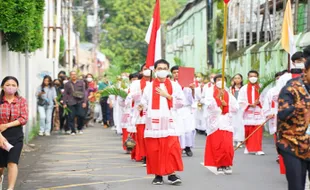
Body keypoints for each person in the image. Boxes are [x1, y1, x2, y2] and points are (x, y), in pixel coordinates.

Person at [140, 59, 185, 185]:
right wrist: (141, 106)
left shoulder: (175, 86)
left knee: (171, 148)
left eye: (164, 68)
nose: (162, 71)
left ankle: (172, 174)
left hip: (170, 123)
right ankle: (158, 175)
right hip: (153, 125)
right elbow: (144, 103)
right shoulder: (149, 87)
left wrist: (168, 96)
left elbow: (181, 103)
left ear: (168, 70)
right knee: (155, 149)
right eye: (159, 68)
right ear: (154, 70)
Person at [277, 58, 310, 190]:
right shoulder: (291, 88)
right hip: (293, 144)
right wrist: (297, 108)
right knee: (297, 186)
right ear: (305, 71)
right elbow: (282, 114)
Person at [203, 74, 238, 174]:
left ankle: (227, 164)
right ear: (214, 81)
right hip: (215, 122)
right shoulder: (209, 91)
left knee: (227, 145)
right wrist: (218, 99)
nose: (220, 81)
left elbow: (236, 108)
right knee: (217, 145)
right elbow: (209, 106)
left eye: (222, 80)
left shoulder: (228, 93)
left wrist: (226, 106)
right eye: (218, 79)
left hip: (226, 121)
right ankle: (219, 165)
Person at [0, 76, 28, 190]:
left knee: (12, 162)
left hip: (16, 135)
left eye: (13, 85)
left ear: (17, 87)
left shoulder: (21, 101)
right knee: (1, 166)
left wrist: (7, 125)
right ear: (2, 86)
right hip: (0, 135)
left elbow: (24, 118)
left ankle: (10, 188)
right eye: (7, 85)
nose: (10, 87)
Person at [127, 64, 151, 164]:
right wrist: (141, 93)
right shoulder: (136, 84)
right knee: (141, 136)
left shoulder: (156, 83)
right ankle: (144, 155)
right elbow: (129, 98)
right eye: (145, 69)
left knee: (151, 137)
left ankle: (151, 155)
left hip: (153, 114)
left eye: (149, 69)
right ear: (141, 71)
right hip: (140, 113)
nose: (147, 71)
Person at [238, 70, 265, 155]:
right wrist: (249, 104)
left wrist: (259, 102)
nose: (253, 78)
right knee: (248, 130)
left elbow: (265, 99)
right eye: (251, 76)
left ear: (257, 77)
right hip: (248, 111)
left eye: (255, 76)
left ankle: (258, 149)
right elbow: (240, 100)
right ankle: (248, 147)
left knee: (258, 130)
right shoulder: (244, 88)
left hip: (258, 111)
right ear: (248, 77)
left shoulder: (261, 88)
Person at [171, 66, 196, 157]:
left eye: (178, 72)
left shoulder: (188, 83)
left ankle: (188, 147)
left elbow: (193, 98)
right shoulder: (171, 84)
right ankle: (178, 147)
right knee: (177, 129)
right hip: (175, 109)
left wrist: (193, 89)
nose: (176, 74)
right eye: (174, 72)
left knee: (188, 129)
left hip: (186, 108)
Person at [63, 71, 87, 135]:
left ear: (77, 75)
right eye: (72, 74)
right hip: (71, 101)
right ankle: (73, 130)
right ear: (70, 76)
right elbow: (65, 93)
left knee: (81, 115)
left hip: (80, 101)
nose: (73, 76)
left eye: (75, 74)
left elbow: (84, 92)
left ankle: (80, 128)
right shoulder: (67, 84)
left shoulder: (81, 83)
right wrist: (64, 103)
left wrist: (85, 102)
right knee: (71, 116)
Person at [230, 74, 244, 147]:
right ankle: (233, 139)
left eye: (238, 78)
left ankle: (239, 140)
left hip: (241, 109)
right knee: (233, 124)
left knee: (240, 125)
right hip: (233, 109)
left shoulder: (243, 88)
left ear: (241, 79)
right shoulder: (231, 89)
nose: (237, 80)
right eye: (235, 78)